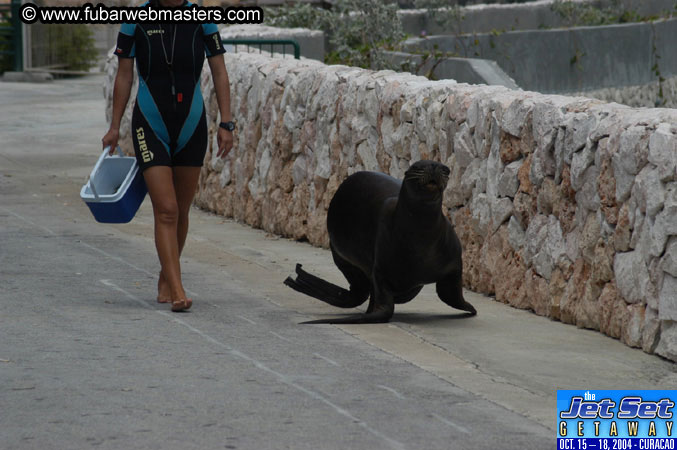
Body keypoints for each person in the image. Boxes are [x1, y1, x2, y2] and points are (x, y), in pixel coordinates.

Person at [102, 0, 234, 312]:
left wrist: (226, 122)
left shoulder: (202, 18)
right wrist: (114, 126)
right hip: (150, 123)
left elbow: (219, 70)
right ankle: (177, 289)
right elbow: (124, 75)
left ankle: (166, 277)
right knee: (167, 210)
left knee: (182, 211)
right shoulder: (135, 20)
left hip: (191, 124)